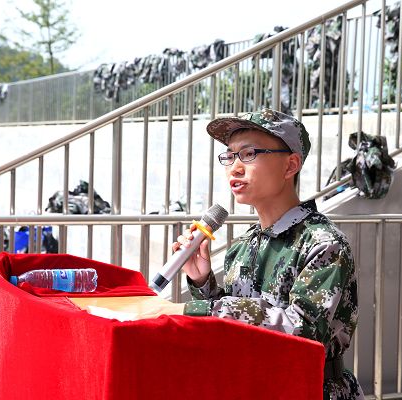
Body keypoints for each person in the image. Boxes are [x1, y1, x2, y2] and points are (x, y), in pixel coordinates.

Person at [142, 108, 363, 400]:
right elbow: (234, 326)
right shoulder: (244, 245)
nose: (234, 168)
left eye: (249, 154)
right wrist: (202, 281)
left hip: (309, 389)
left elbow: (303, 332)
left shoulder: (323, 243)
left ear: (290, 165)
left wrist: (203, 310)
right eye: (229, 156)